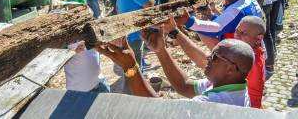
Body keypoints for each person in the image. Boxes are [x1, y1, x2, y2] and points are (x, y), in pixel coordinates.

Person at [97, 30, 254, 106]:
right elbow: (184, 85)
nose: (208, 59)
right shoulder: (231, 85)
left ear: (230, 69)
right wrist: (161, 50)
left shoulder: (214, 102)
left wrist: (129, 66)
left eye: (214, 57)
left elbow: (160, 112)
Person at [162, 14, 265, 108]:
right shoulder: (246, 52)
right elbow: (184, 85)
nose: (237, 35)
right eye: (237, 30)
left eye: (243, 33)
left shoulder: (248, 63)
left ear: (259, 38)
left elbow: (203, 61)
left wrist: (181, 28)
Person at [175, 0, 262, 47]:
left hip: (243, 60)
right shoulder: (247, 1)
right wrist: (210, 15)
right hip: (248, 53)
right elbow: (228, 24)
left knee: (203, 33)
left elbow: (217, 28)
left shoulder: (237, 9)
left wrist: (188, 21)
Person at [116, 0, 155, 93]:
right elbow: (149, 5)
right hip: (134, 34)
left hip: (127, 31)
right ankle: (131, 93)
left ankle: (134, 89)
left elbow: (117, 8)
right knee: (133, 68)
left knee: (132, 66)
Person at [62, 0, 110, 93]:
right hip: (78, 91)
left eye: (75, 7)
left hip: (99, 83)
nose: (72, 11)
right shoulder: (63, 32)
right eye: (69, 7)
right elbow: (54, 57)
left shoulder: (91, 26)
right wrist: (72, 52)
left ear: (85, 7)